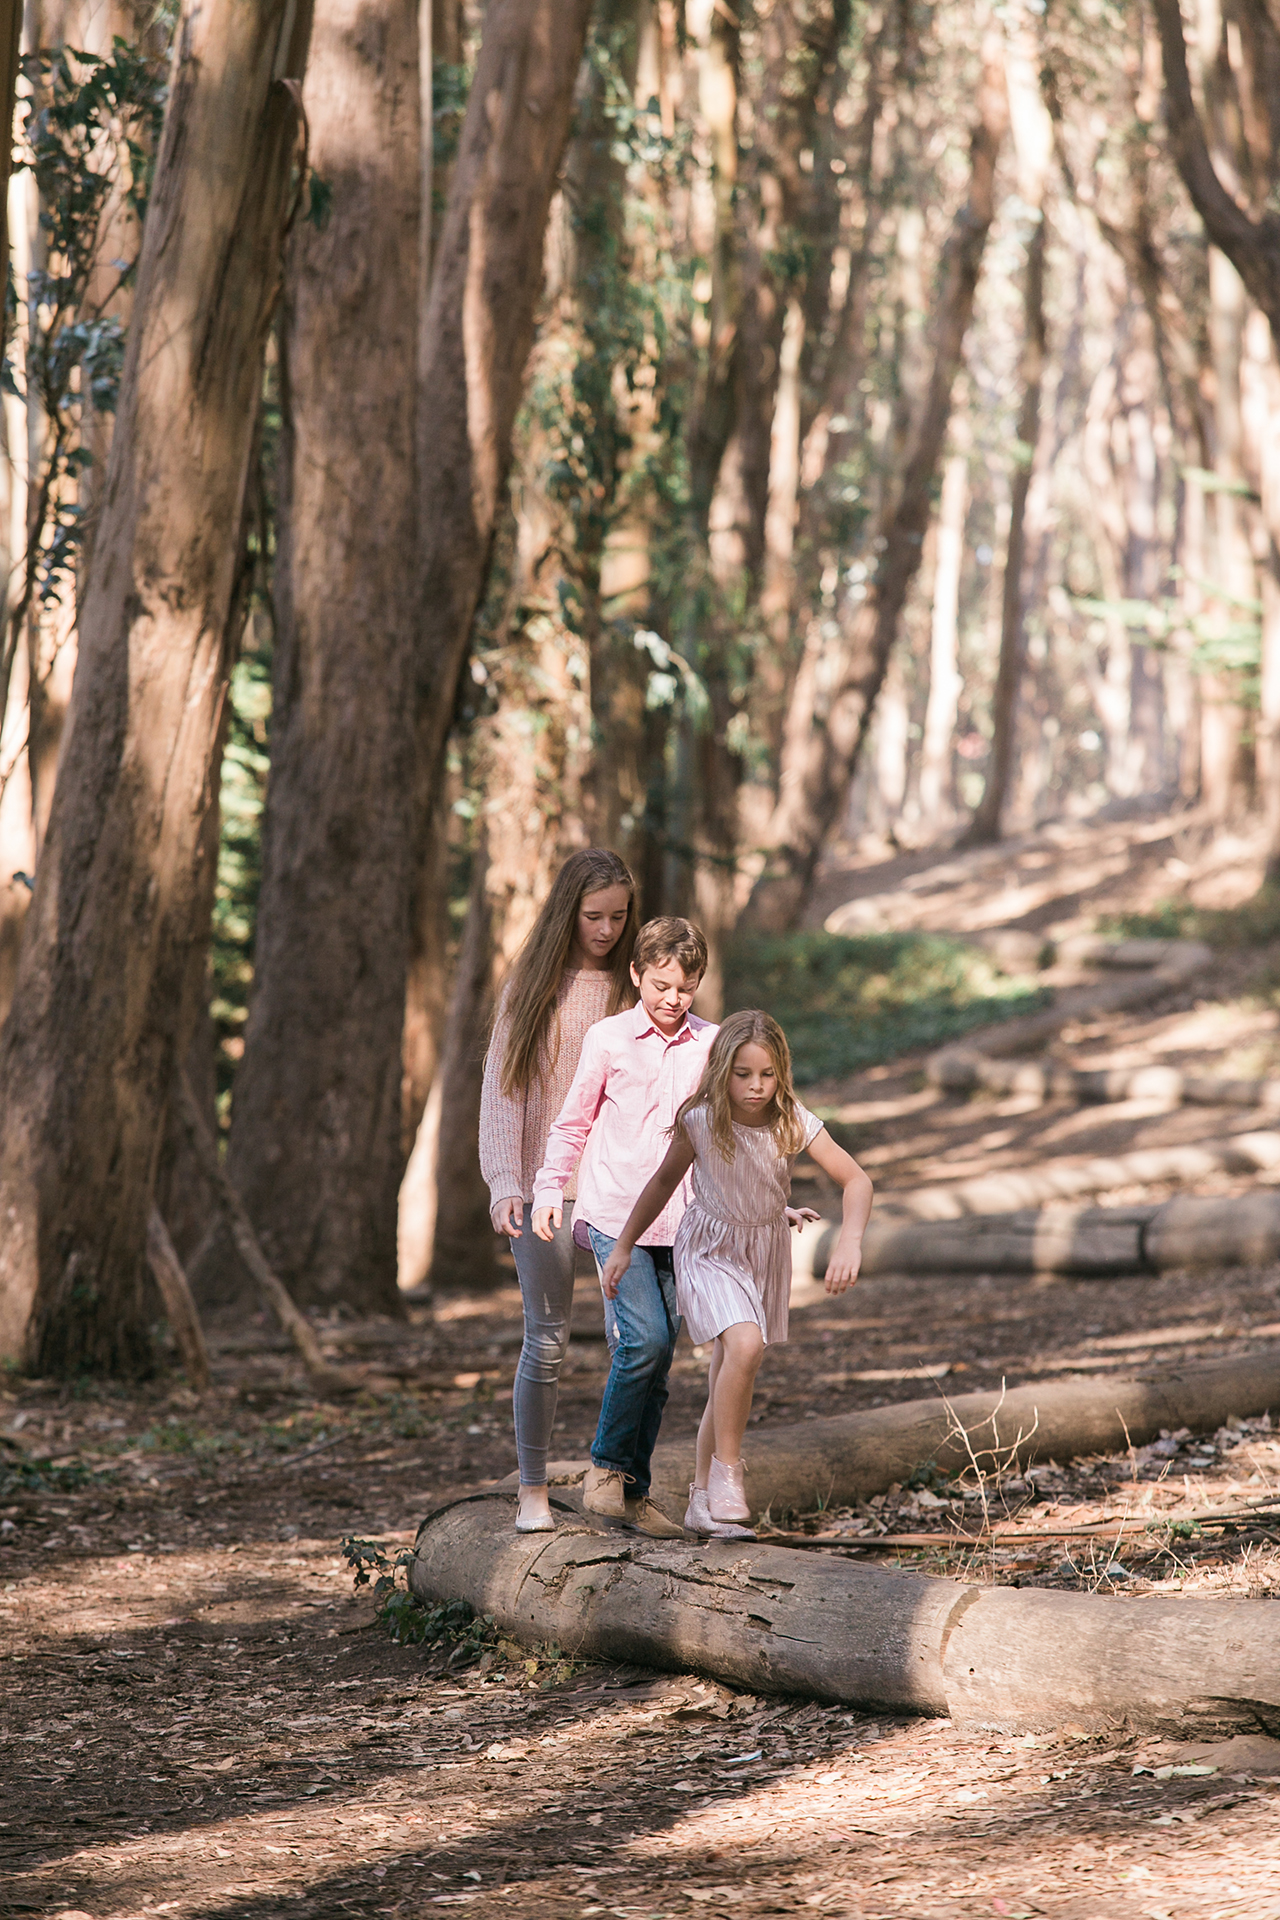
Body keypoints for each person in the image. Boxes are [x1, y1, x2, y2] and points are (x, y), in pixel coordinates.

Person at [600, 1008, 873, 1539]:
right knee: (744, 1346)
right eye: (743, 1074)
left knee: (729, 1372)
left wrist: (850, 1242)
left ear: (782, 1073)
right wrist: (624, 1246)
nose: (755, 1087)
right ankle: (728, 1475)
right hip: (708, 1249)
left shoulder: (791, 1117)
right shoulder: (701, 1120)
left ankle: (702, 1502)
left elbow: (856, 1180)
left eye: (767, 1075)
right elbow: (660, 1185)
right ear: (722, 1069)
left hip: (764, 1251)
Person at [531, 917, 716, 1538]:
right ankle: (605, 1470)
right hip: (615, 1216)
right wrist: (549, 1186)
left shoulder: (710, 1044)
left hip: (686, 1224)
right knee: (645, 1342)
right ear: (636, 975)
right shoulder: (609, 1038)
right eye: (660, 984)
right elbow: (573, 1120)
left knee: (661, 1362)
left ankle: (635, 1492)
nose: (672, 999)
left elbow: (738, 1131)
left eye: (685, 988)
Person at [480, 848, 639, 1535]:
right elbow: (503, 1092)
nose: (606, 929)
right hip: (545, 1192)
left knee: (633, 1340)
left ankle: (614, 1480)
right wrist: (504, 1182)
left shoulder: (635, 990)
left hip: (617, 1193)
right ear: (567, 912)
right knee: (545, 1341)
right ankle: (533, 1490)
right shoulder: (533, 987)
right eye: (593, 916)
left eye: (619, 917)